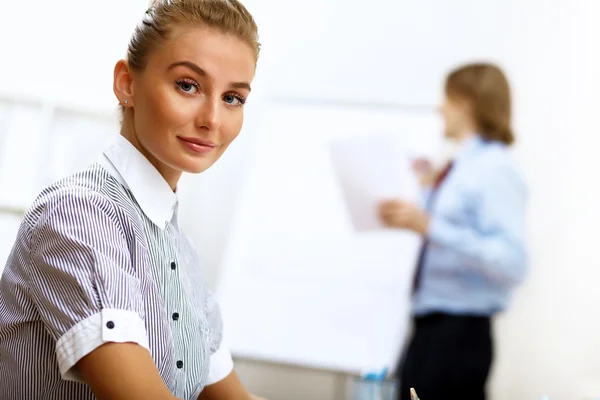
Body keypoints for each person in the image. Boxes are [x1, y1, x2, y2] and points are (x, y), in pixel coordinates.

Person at [0, 1, 265, 399]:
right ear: (127, 83)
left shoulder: (181, 252)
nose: (212, 118)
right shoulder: (78, 215)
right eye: (188, 85)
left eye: (232, 98)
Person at [378, 63, 528, 400]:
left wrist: (431, 226)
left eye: (446, 98)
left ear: (467, 102)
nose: (439, 107)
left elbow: (513, 262)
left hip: (459, 335)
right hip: (431, 328)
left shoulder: (495, 169)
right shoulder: (459, 166)